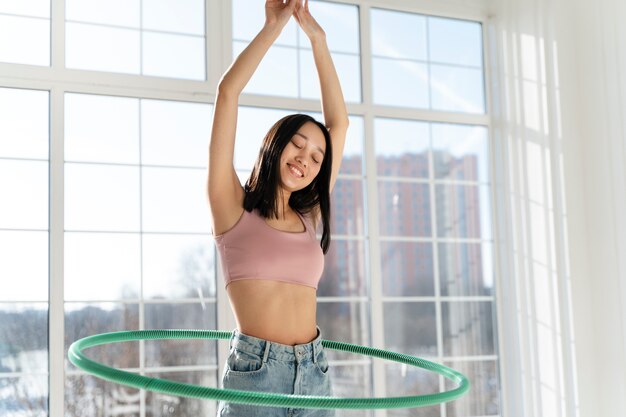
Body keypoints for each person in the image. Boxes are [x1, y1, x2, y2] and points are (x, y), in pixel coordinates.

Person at [206, 0, 348, 416]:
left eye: (317, 157)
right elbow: (227, 93)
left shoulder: (309, 217)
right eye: (298, 144)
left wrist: (317, 40)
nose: (306, 158)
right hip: (258, 375)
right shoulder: (231, 209)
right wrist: (275, 26)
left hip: (315, 370)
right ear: (275, 142)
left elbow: (338, 124)